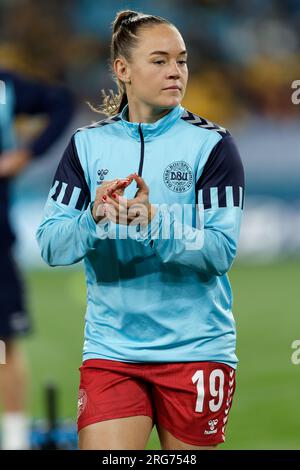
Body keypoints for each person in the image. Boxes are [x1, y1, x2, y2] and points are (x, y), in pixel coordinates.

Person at [36, 10, 245, 450]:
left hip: (196, 351)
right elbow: (52, 245)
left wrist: (156, 222)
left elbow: (221, 250)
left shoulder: (213, 144)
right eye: (160, 60)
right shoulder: (87, 146)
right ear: (122, 70)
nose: (176, 71)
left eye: (182, 60)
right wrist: (92, 218)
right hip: (112, 354)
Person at [0, 68, 74, 449]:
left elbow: (60, 101)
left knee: (3, 343)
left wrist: (26, 154)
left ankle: (13, 441)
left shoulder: (4, 88)